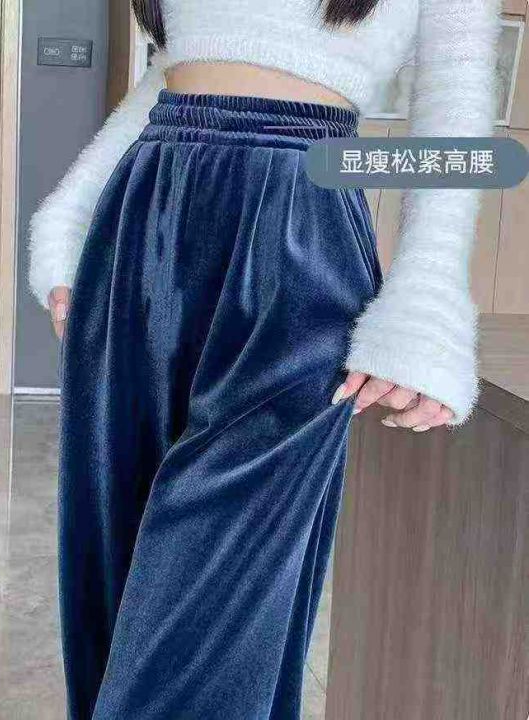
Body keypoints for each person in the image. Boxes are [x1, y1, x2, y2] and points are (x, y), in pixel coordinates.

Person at [27, 1, 501, 718]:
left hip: (300, 230)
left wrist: (428, 297)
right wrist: (68, 212)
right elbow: (175, 65)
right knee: (114, 561)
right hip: (144, 213)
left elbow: (454, 94)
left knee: (213, 598)